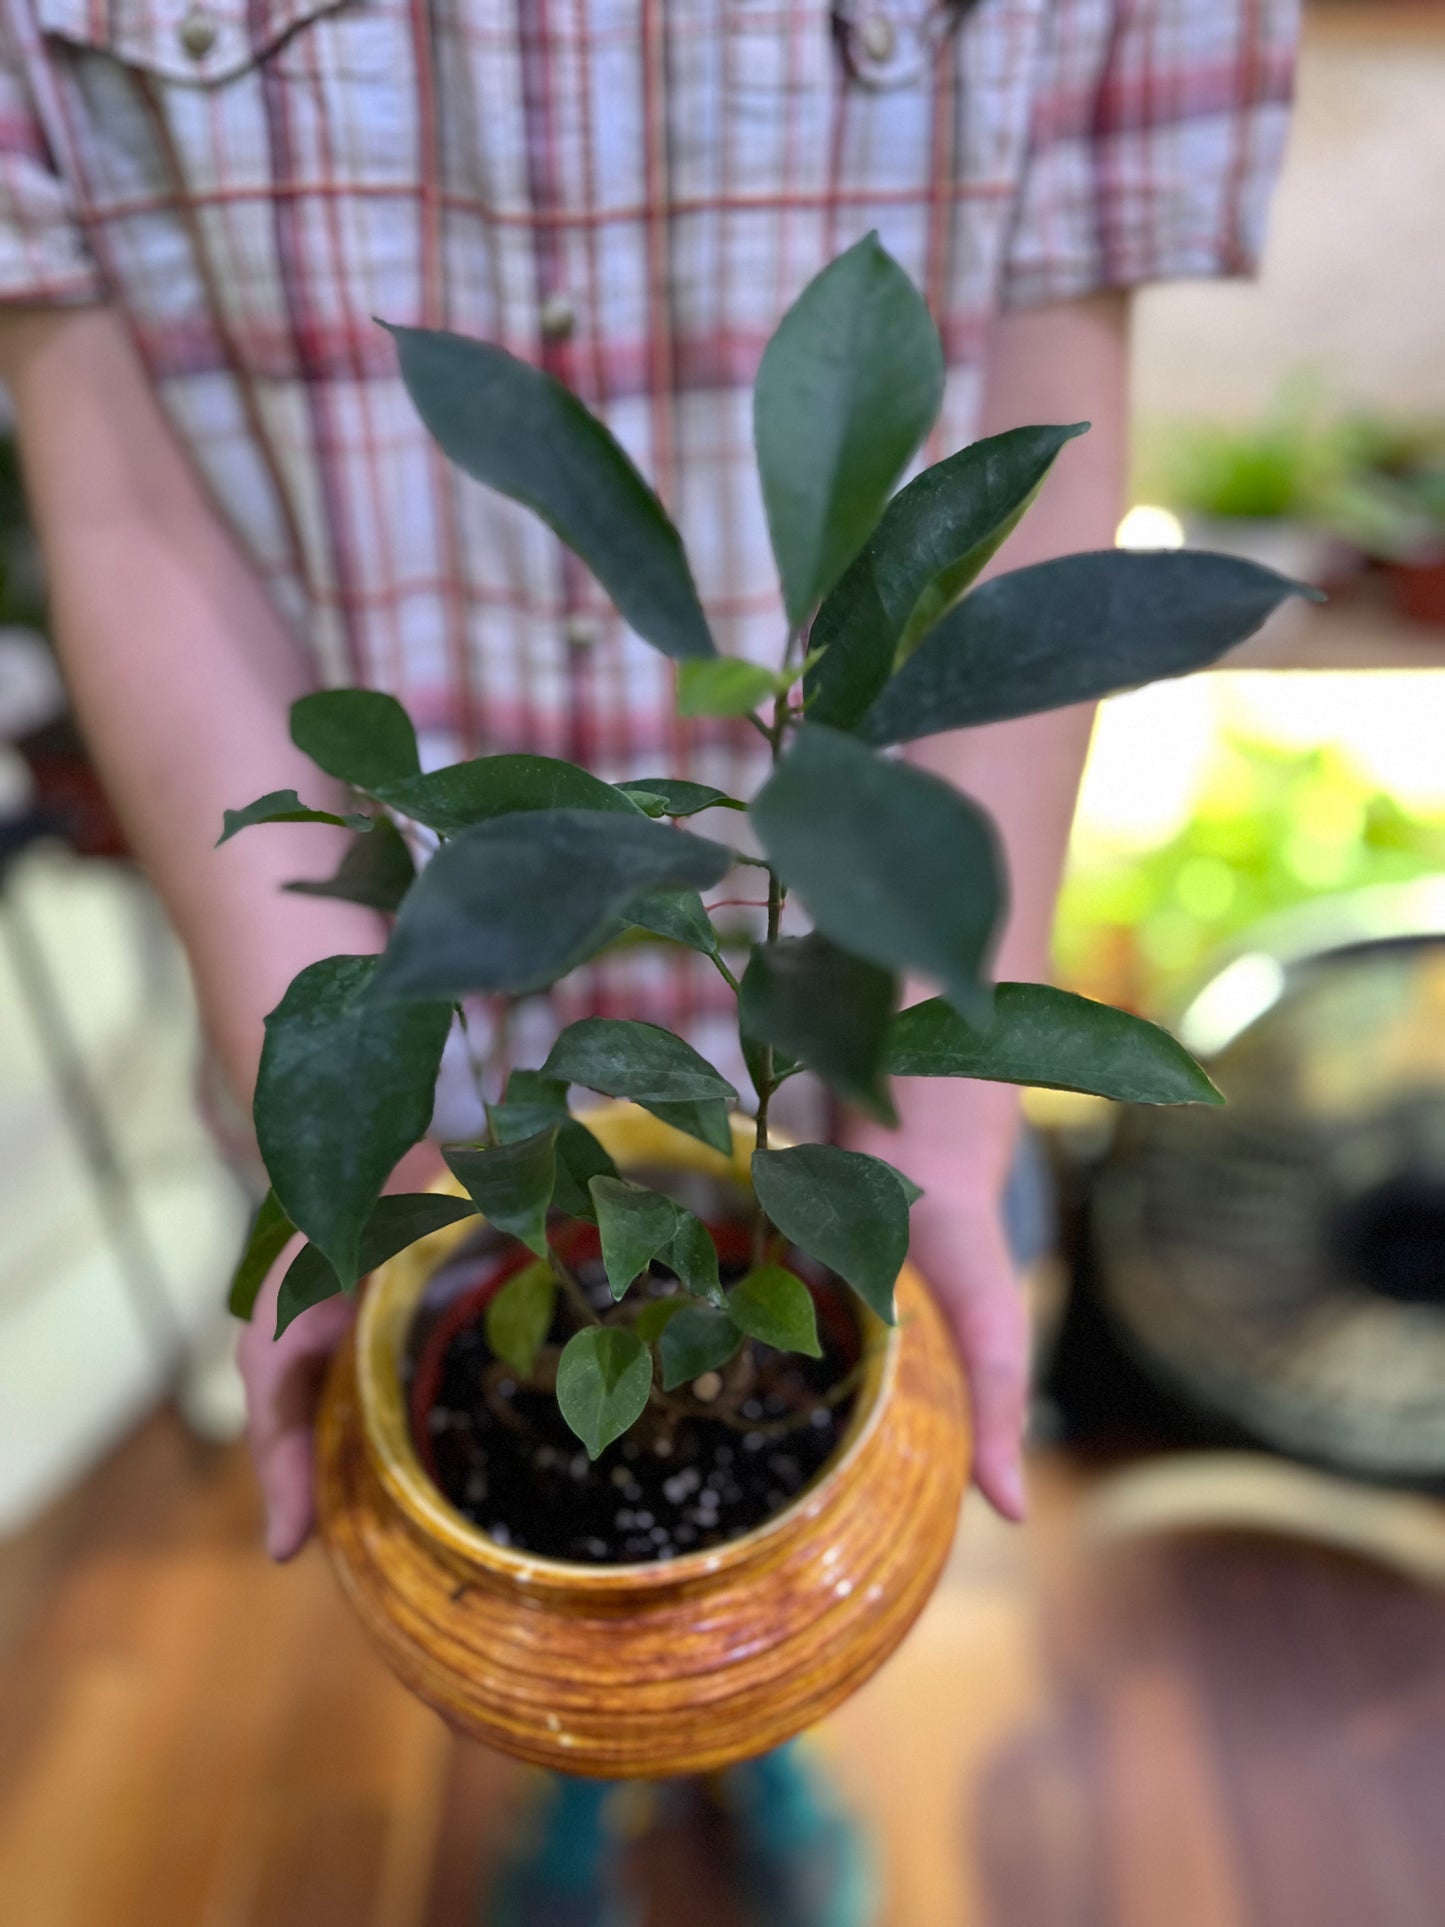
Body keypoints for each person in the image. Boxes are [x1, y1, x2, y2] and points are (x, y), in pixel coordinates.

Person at [0, 1, 1299, 1918]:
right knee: (500, 1471)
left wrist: (934, 1083)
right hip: (386, 958)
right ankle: (573, 1752)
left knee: (775, 1445)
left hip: (822, 991)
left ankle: (744, 1733)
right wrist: (345, 1154)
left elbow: (1054, 340)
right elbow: (102, 462)